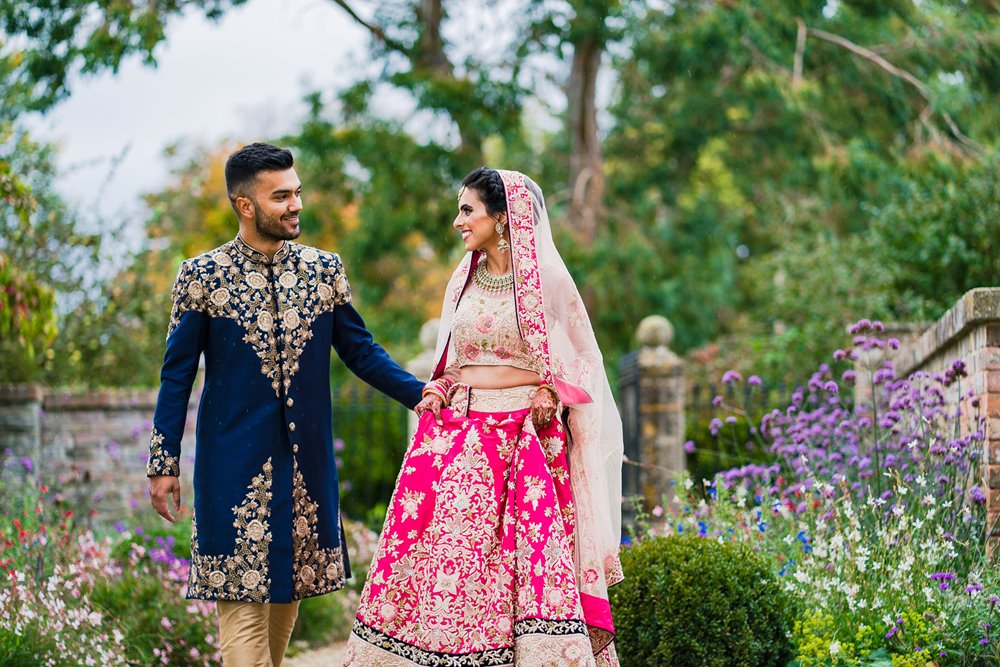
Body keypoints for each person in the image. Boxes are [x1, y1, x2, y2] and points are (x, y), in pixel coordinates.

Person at [146, 142, 426, 667]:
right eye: (281, 196)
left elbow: (360, 351)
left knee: (280, 621)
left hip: (306, 473)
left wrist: (421, 393)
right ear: (245, 206)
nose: (296, 204)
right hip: (233, 473)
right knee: (244, 624)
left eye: (297, 192)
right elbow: (176, 375)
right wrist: (163, 463)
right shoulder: (202, 277)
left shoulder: (323, 272)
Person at [344, 168, 623, 666]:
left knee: (518, 576)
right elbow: (452, 360)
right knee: (447, 575)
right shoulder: (463, 276)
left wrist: (550, 389)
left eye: (467, 210)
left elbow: (586, 358)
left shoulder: (547, 279)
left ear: (502, 215)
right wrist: (440, 387)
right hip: (455, 443)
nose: (458, 222)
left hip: (522, 445)